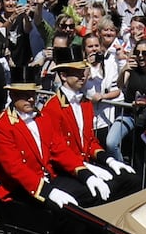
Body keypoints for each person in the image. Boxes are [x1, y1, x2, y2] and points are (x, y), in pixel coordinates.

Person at [0, 81, 96, 232]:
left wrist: (85, 174)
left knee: (89, 194)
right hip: (20, 188)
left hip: (48, 177)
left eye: (33, 94)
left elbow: (60, 149)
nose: (31, 99)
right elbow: (15, 168)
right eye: (25, 95)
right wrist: (47, 191)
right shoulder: (0, 127)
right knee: (66, 211)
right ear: (12, 95)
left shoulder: (42, 117)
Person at [37, 59, 139, 202]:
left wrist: (109, 160)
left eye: (83, 72)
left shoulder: (85, 103)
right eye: (77, 73)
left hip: (86, 162)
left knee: (131, 180)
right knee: (98, 194)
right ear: (64, 76)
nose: (83, 76)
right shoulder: (52, 107)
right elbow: (57, 150)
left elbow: (90, 141)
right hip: (65, 170)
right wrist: (85, 173)